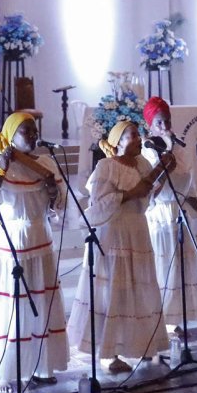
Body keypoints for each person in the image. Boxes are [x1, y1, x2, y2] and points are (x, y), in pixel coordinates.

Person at [0, 112, 69, 393]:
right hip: (10, 242)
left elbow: (58, 206)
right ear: (10, 136)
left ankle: (40, 367)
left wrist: (54, 192)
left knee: (39, 302)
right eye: (25, 131)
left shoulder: (46, 163)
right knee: (11, 308)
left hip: (40, 238)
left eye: (33, 130)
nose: (32, 135)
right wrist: (2, 171)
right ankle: (5, 370)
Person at [68, 121, 169, 373]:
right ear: (118, 141)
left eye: (138, 135)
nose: (137, 139)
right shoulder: (105, 166)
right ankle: (109, 354)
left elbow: (148, 198)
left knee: (139, 287)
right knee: (113, 291)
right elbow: (99, 204)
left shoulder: (143, 164)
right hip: (114, 234)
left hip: (137, 230)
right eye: (132, 135)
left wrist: (162, 172)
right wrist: (132, 193)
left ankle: (142, 344)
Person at [140, 97, 197, 335]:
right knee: (164, 266)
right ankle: (158, 318)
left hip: (179, 212)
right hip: (160, 214)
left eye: (168, 121)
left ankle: (176, 318)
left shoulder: (179, 146)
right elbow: (152, 188)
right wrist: (165, 165)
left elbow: (187, 182)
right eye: (160, 123)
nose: (165, 127)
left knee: (181, 267)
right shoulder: (147, 148)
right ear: (150, 125)